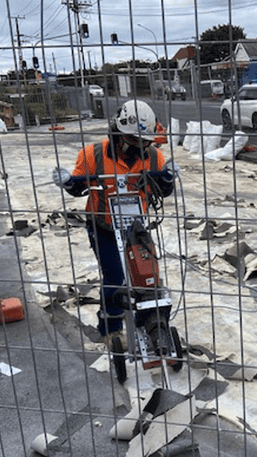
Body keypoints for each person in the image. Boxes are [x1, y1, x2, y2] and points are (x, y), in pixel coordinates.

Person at [52, 100, 176, 340]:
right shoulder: (92, 154)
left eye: (145, 142)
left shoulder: (153, 156)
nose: (141, 146)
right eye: (135, 141)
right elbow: (79, 188)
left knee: (145, 274)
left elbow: (163, 190)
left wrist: (168, 178)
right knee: (115, 276)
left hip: (136, 226)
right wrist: (68, 181)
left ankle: (145, 322)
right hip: (103, 226)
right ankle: (111, 328)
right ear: (118, 133)